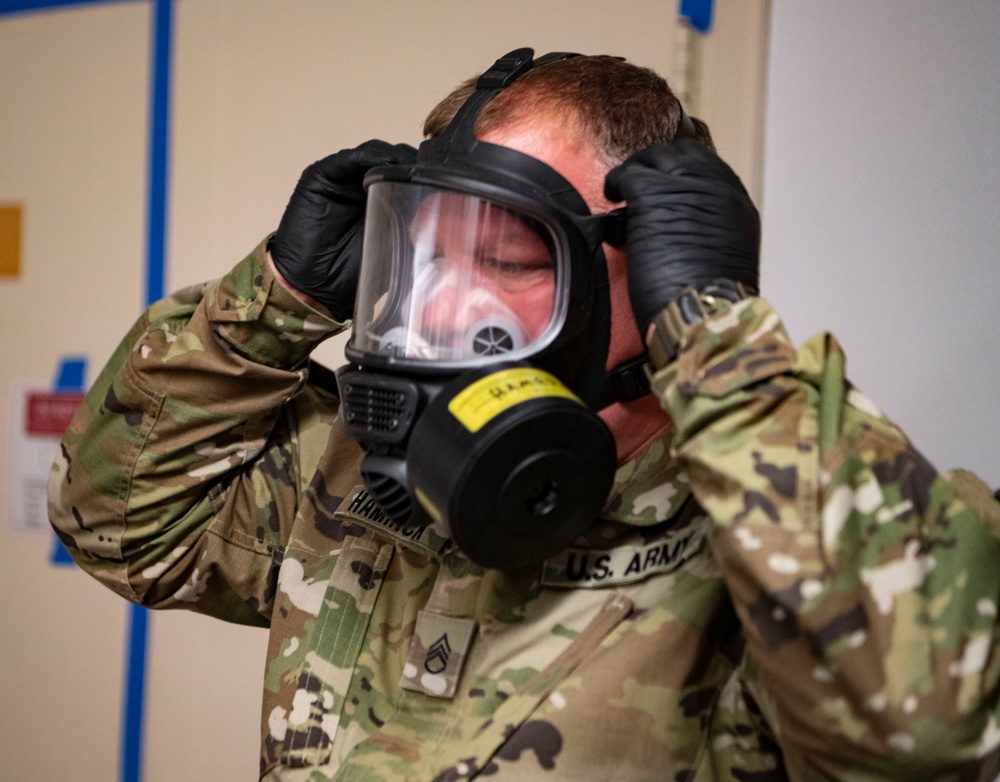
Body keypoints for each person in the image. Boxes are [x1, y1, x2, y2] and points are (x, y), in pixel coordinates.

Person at [49, 49, 1000, 782]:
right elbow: (120, 521)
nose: (451, 310)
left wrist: (716, 336)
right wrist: (274, 300)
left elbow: (922, 736)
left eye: (510, 262)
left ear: (649, 258)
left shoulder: (789, 543)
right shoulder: (357, 477)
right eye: (429, 260)